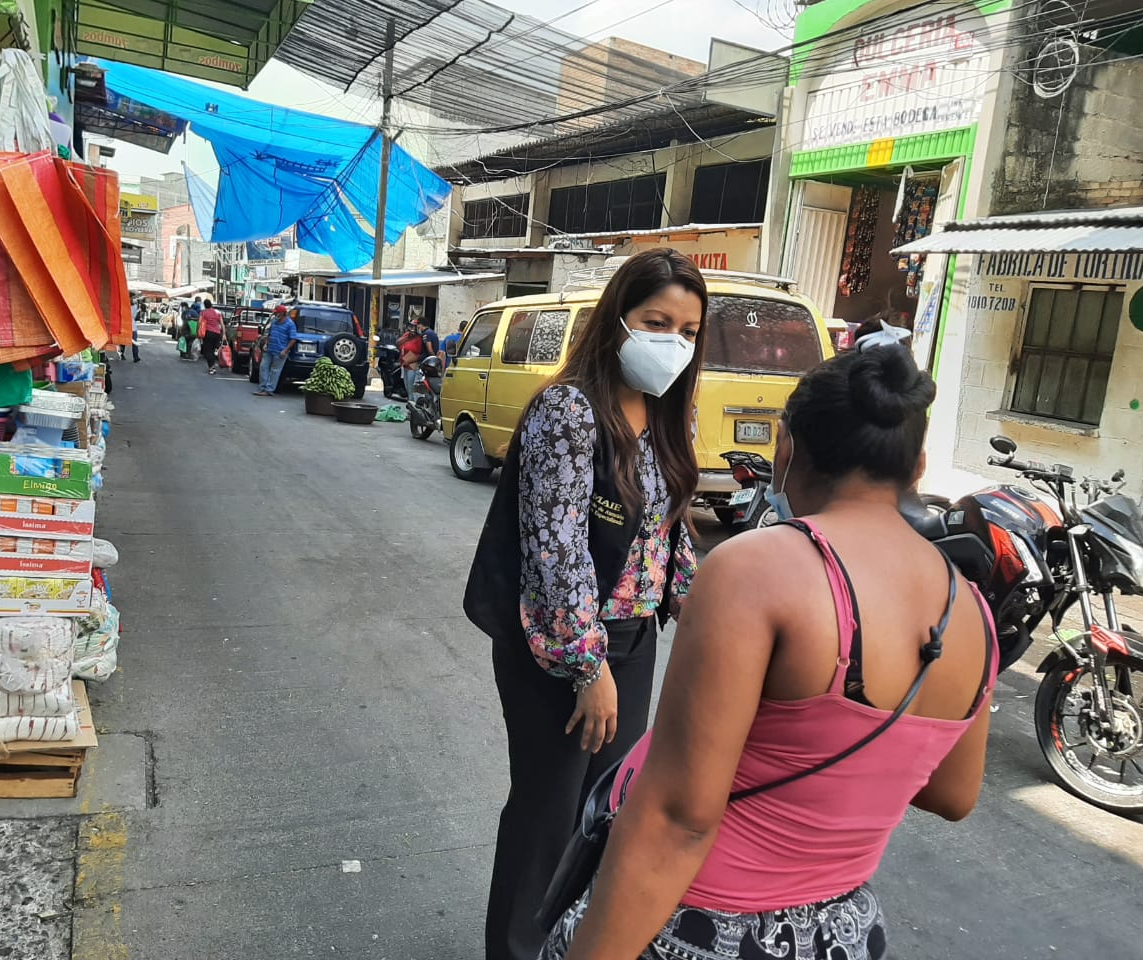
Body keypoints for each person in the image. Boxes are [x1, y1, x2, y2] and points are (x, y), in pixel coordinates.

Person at [541, 344, 998, 960]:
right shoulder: (971, 610)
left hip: (702, 928)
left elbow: (678, 819)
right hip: (842, 935)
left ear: (787, 448)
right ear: (917, 466)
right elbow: (952, 794)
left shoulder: (756, 569)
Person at [464, 248, 706, 960]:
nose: (673, 343)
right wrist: (587, 668)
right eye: (657, 323)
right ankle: (516, 948)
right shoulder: (568, 411)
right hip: (557, 645)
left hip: (634, 639)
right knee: (547, 810)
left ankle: (570, 945)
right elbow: (555, 550)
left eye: (689, 331)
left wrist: (704, 611)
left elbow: (669, 534)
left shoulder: (669, 414)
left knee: (605, 812)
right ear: (618, 320)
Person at [254, 304, 297, 396]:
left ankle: (269, 390)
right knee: (263, 367)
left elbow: (293, 339)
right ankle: (262, 388)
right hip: (269, 349)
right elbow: (269, 334)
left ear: (283, 313)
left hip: (280, 351)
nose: (275, 315)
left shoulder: (290, 324)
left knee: (275, 371)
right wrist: (266, 344)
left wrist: (285, 350)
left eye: (277, 313)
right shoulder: (274, 322)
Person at [397, 320, 425, 397]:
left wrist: (410, 360)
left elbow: (420, 353)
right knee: (407, 387)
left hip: (412, 365)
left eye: (414, 327)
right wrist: (407, 336)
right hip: (404, 364)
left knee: (411, 387)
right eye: (411, 327)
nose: (413, 329)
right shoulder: (407, 336)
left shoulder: (419, 339)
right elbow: (398, 343)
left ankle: (412, 401)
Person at [198, 299, 227, 375]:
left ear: (205, 305)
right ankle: (212, 366)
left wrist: (198, 332)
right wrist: (224, 334)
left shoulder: (203, 312)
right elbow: (222, 324)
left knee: (207, 351)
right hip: (217, 333)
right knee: (212, 350)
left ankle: (211, 367)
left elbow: (199, 322)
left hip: (208, 333)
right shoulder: (217, 312)